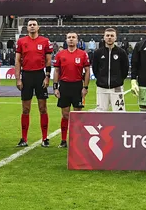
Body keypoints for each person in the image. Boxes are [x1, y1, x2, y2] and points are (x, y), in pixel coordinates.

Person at [15, 19, 52, 147]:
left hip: (39, 75)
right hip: (26, 76)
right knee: (25, 109)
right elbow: (18, 61)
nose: (32, 27)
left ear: (38, 27)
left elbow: (48, 61)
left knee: (43, 108)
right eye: (30, 25)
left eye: (34, 25)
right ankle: (24, 138)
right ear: (27, 28)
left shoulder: (45, 41)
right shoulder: (21, 41)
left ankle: (45, 138)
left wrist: (47, 77)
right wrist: (18, 79)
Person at [52, 31, 90, 147]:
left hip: (78, 86)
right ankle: (63, 141)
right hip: (64, 86)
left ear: (77, 40)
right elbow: (57, 71)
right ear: (66, 40)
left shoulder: (83, 54)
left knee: (78, 114)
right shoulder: (60, 54)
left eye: (73, 37)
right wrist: (55, 87)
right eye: (69, 37)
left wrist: (85, 87)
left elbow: (87, 70)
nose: (71, 39)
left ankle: (77, 140)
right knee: (65, 115)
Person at [91, 28, 130, 114]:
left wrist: (118, 80)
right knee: (101, 113)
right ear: (104, 37)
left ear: (115, 38)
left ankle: (120, 128)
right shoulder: (98, 53)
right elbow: (95, 69)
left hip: (117, 87)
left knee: (120, 112)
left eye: (112, 36)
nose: (109, 37)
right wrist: (101, 79)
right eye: (107, 35)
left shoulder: (121, 52)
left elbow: (125, 69)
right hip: (101, 88)